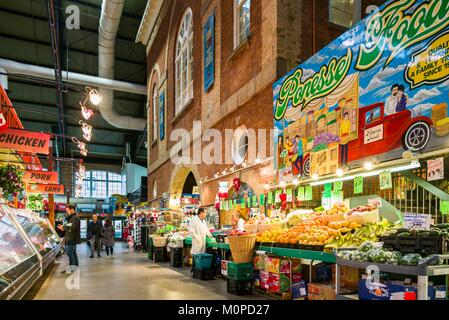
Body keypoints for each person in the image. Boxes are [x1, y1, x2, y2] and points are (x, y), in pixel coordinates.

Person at [57, 204, 80, 274]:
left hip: (71, 238)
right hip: (70, 238)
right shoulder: (71, 218)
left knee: (70, 253)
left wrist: (63, 227)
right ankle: (75, 266)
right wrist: (63, 227)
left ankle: (71, 268)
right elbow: (69, 226)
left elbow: (72, 227)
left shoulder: (75, 218)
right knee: (73, 253)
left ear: (72, 209)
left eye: (68, 210)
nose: (67, 212)